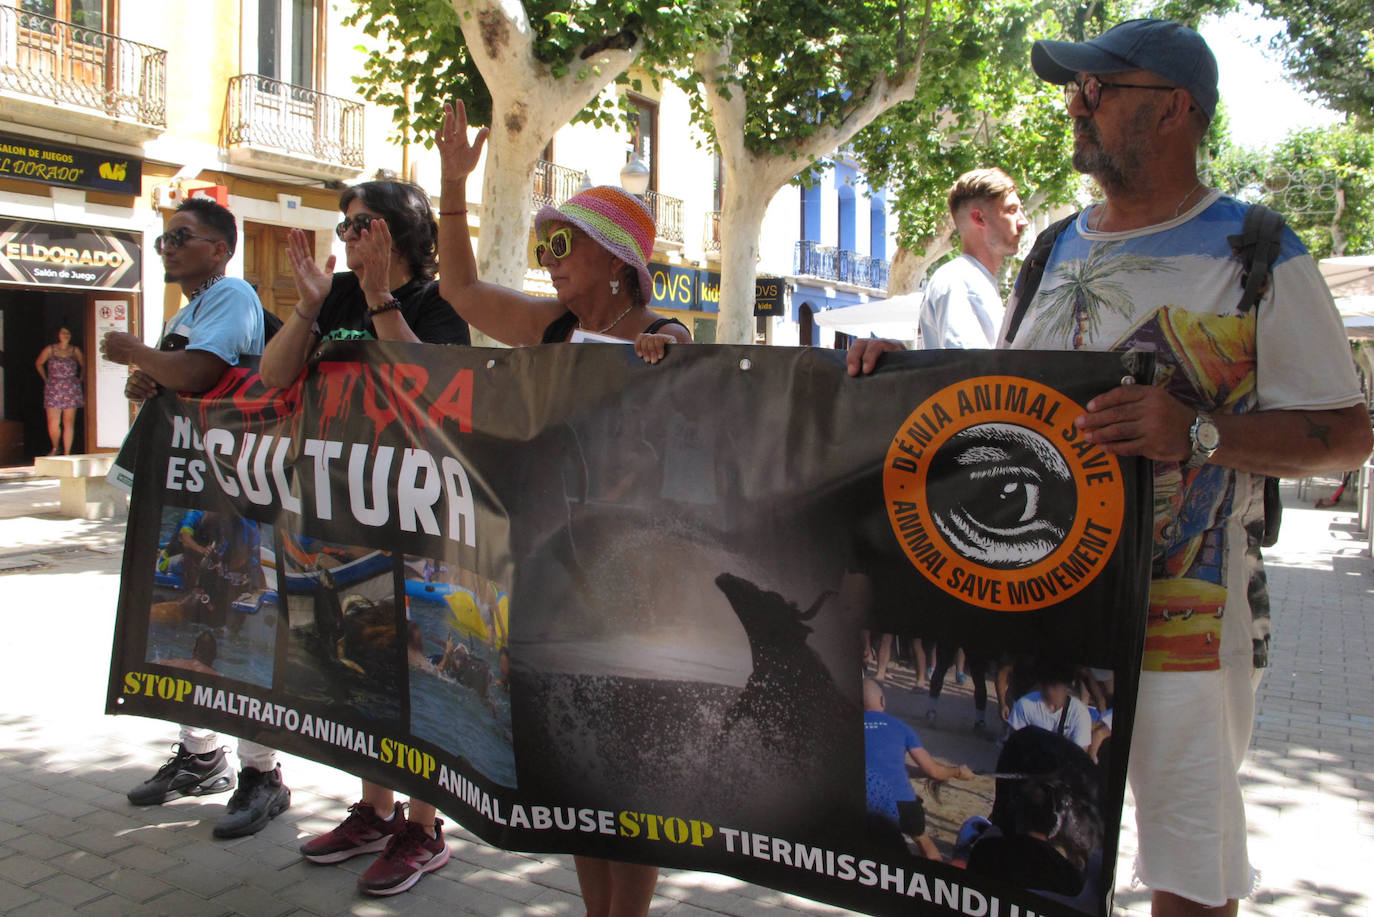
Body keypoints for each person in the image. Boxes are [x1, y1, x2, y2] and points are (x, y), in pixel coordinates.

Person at [1005, 20, 1372, 917]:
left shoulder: (1258, 251)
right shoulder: (1053, 248)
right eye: (1076, 89)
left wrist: (1197, 433)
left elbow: (1348, 433)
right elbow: (999, 403)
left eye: (1100, 88)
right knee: (1025, 841)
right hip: (1043, 604)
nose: (1076, 103)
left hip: (1187, 625)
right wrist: (883, 376)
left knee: (1190, 868)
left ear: (1173, 110)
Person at [436, 98, 688, 917]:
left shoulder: (662, 332)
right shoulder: (551, 329)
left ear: (615, 260)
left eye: (560, 244)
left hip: (635, 589)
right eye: (544, 244)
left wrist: (663, 355)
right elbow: (462, 288)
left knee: (628, 773)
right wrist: (451, 186)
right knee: (580, 772)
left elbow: (689, 375)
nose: (546, 258)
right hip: (558, 578)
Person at [264, 180, 469, 897]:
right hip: (340, 512)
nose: (348, 235)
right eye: (344, 224)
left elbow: (427, 387)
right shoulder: (340, 300)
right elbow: (273, 374)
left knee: (409, 673)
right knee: (363, 667)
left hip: (412, 516)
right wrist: (311, 306)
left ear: (401, 233)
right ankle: (377, 812)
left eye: (363, 224)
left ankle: (425, 826)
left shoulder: (439, 307)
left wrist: (383, 297)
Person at [100, 196, 290, 841]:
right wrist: (146, 379)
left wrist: (137, 353)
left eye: (183, 237)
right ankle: (201, 754)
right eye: (163, 239)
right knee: (189, 615)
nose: (170, 247)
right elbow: (180, 380)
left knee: (230, 615)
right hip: (193, 481)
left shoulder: (232, 293)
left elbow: (203, 372)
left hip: (234, 485)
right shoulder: (193, 308)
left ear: (220, 247)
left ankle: (262, 773)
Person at [862, 678, 974, 861]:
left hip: (866, 804)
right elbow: (934, 772)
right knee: (925, 844)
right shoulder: (902, 728)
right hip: (903, 805)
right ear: (882, 701)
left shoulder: (847, 725)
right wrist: (957, 772)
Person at [917, 167, 1028, 350]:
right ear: (979, 218)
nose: (1023, 221)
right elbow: (969, 370)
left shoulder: (975, 280)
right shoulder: (959, 281)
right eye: (1012, 210)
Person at [1007, 667, 1093, 753]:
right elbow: (1014, 743)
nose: (1051, 691)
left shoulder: (1080, 713)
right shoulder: (1024, 705)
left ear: (1068, 685)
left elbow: (1080, 754)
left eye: (1056, 686)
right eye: (1050, 685)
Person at [34, 324, 85, 455]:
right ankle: (56, 447)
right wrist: (46, 378)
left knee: (68, 422)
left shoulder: (75, 350)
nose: (66, 335)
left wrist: (80, 379)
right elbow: (39, 363)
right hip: (53, 388)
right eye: (63, 333)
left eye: (68, 333)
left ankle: (67, 452)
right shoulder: (50, 349)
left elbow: (84, 365)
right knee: (53, 422)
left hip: (70, 388)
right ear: (57, 334)